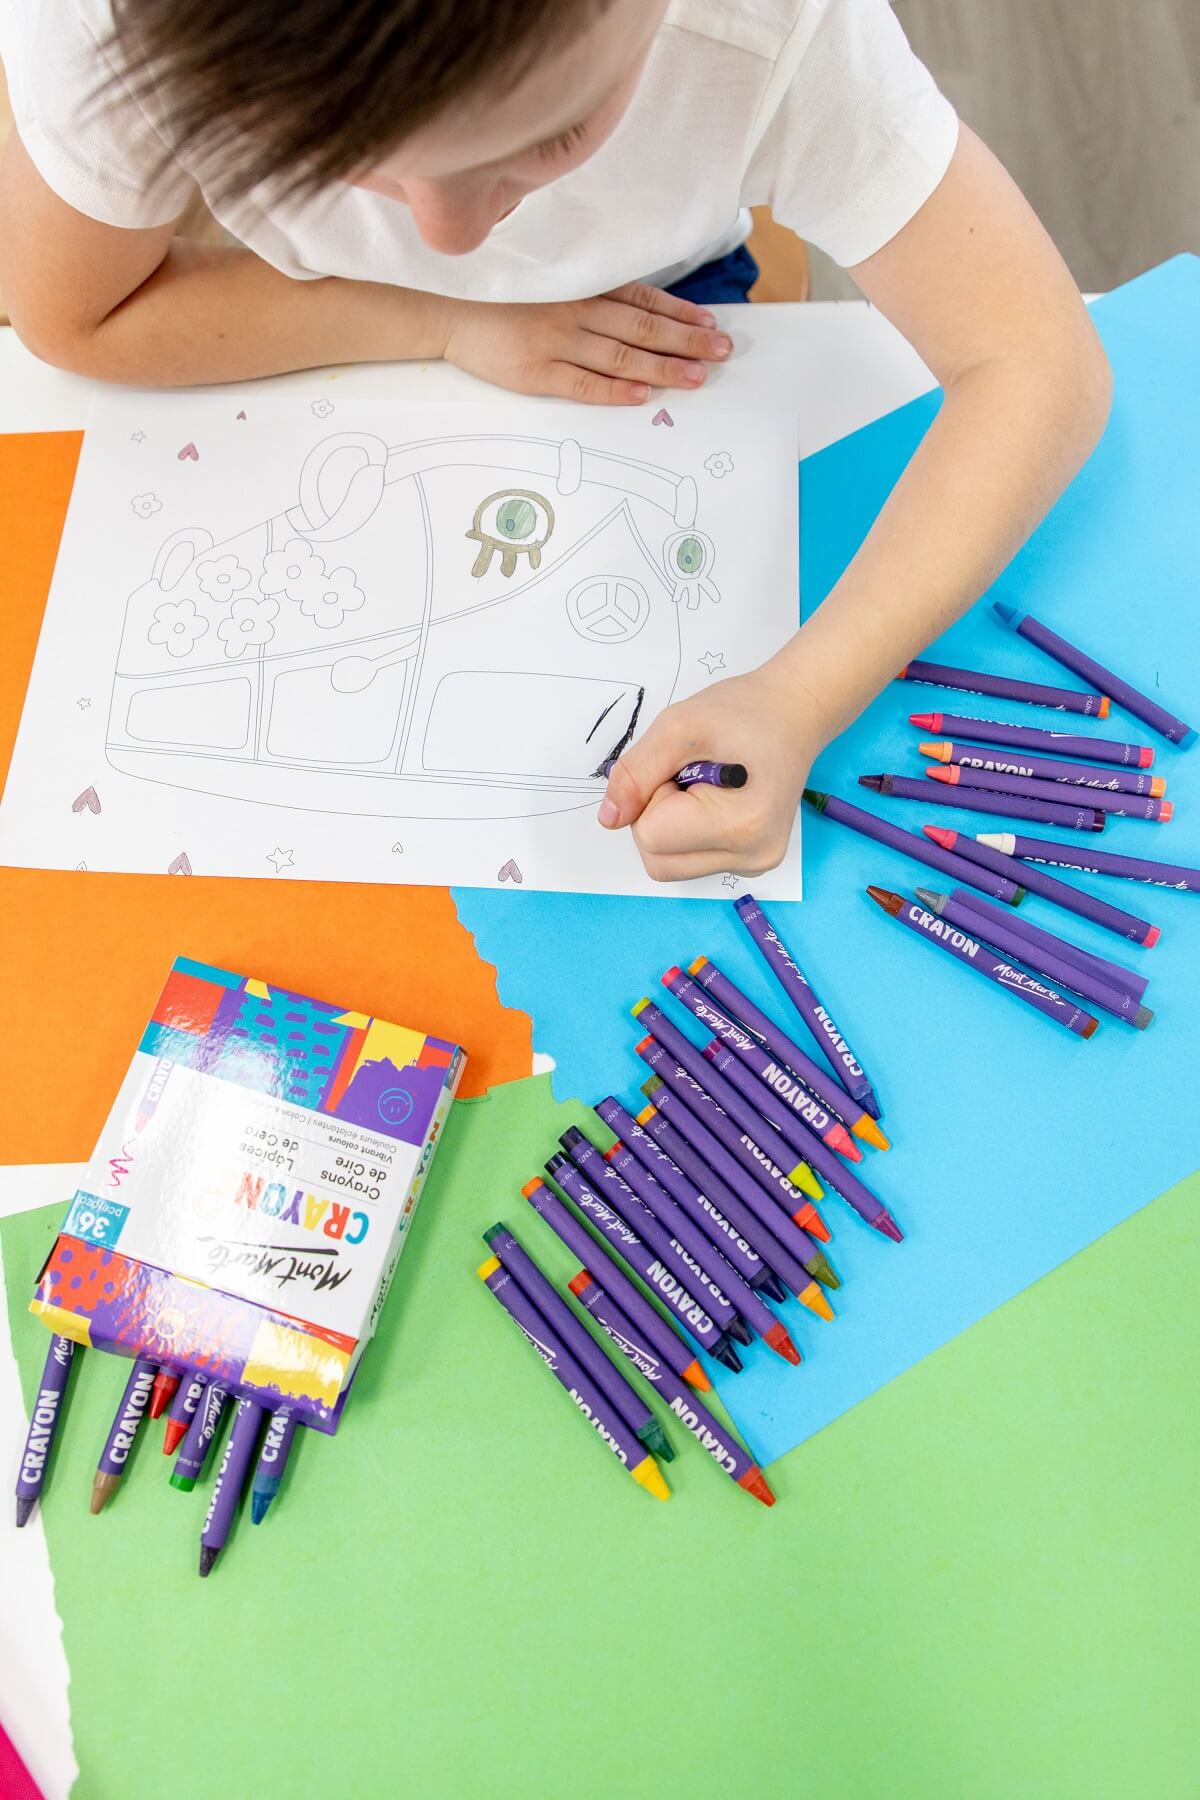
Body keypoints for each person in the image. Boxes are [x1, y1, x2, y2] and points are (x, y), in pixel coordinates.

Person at [0, 0, 1111, 880]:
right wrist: (439, 318)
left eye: (549, 136)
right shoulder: (117, 28)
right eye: (349, 163)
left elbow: (1039, 364)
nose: (454, 232)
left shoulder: (770, 27)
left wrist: (800, 694)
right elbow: (72, 314)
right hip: (321, 318)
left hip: (659, 295)